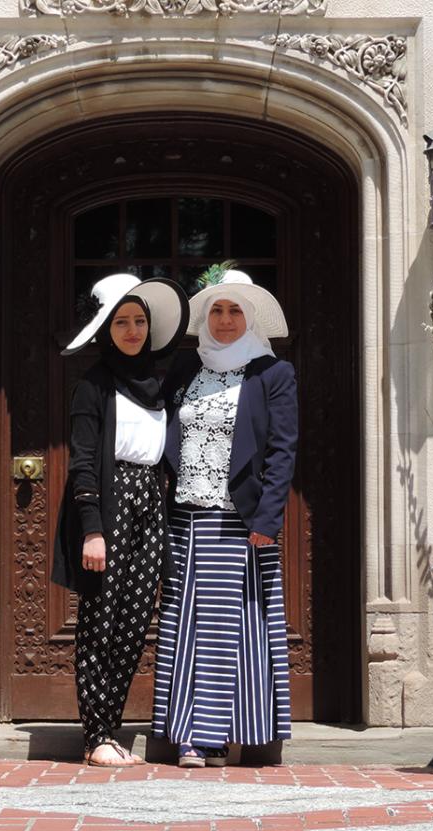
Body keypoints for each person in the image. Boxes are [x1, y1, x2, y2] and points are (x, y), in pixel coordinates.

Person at [152, 268, 298, 768]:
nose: (226, 319)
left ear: (251, 317)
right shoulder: (184, 370)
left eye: (236, 310)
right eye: (217, 310)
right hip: (182, 516)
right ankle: (186, 733)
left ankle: (215, 736)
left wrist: (267, 520)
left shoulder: (272, 373)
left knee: (228, 627)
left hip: (239, 521)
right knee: (184, 624)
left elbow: (282, 451)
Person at [52, 272, 188, 768]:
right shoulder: (93, 386)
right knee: (99, 625)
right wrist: (92, 528)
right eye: (121, 321)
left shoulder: (160, 384)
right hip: (107, 508)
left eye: (139, 321)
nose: (131, 330)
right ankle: (95, 736)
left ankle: (111, 730)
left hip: (150, 505)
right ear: (106, 329)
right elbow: (83, 460)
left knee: (132, 625)